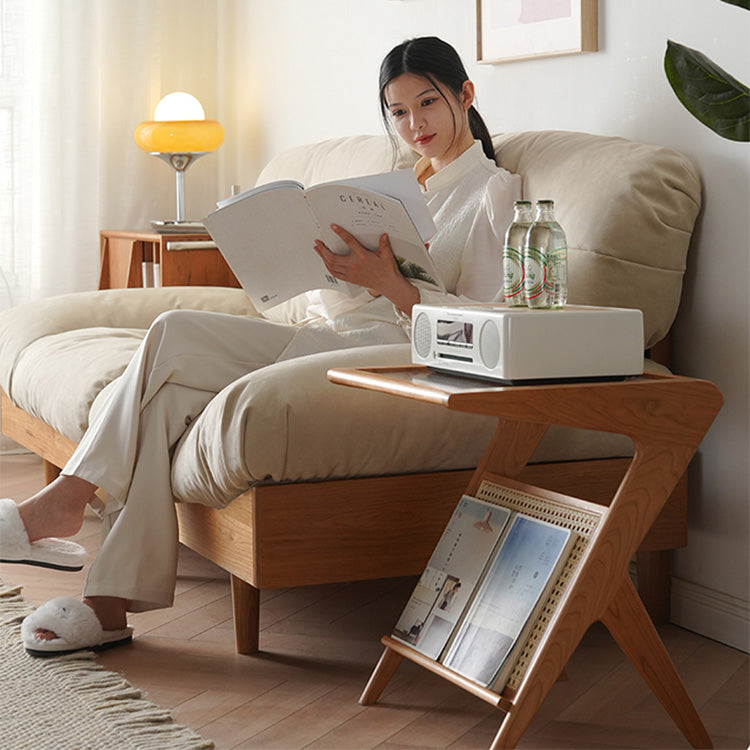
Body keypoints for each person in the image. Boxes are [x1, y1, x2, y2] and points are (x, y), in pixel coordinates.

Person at [0, 35, 521, 656]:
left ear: (465, 94)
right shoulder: (391, 189)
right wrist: (329, 271)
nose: (415, 124)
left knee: (172, 331)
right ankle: (107, 607)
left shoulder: (493, 193)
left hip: (392, 356)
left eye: (428, 103)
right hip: (331, 337)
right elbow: (347, 303)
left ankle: (61, 504)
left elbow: (489, 324)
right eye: (399, 112)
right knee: (163, 401)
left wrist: (392, 287)